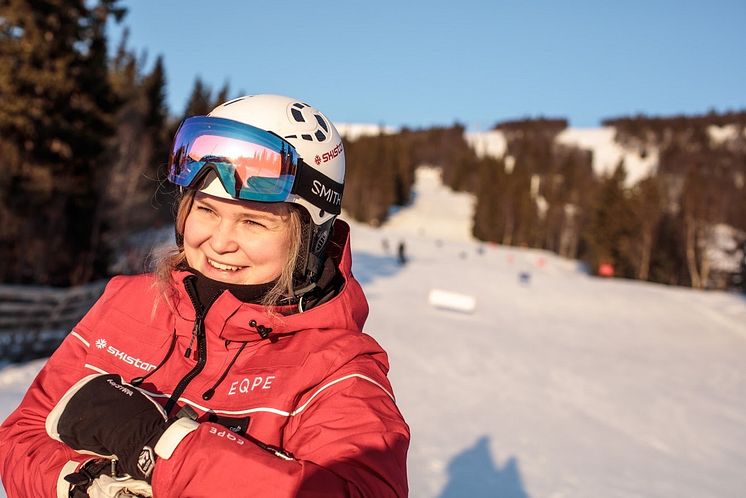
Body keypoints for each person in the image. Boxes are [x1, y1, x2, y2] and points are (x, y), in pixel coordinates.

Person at [0, 94, 410, 498]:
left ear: (310, 238)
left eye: (253, 222)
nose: (219, 242)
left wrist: (165, 447)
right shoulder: (127, 302)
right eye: (207, 211)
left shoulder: (336, 369)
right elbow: (21, 434)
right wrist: (80, 485)